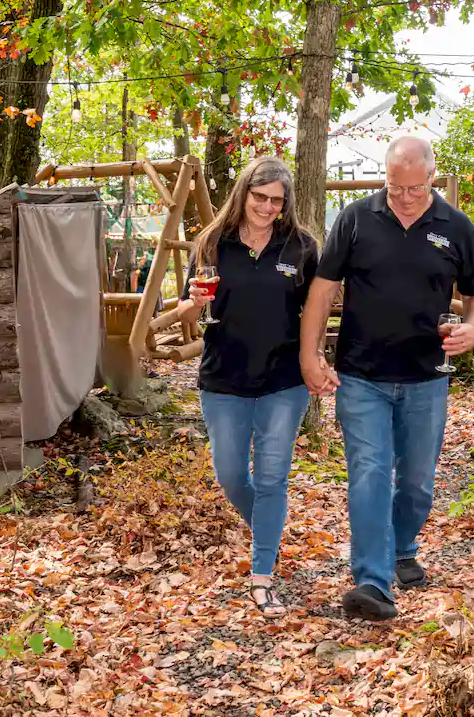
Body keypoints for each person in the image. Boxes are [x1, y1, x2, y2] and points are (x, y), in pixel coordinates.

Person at [299, 137, 474, 621]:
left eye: (414, 188)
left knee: (418, 484)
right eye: (394, 187)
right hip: (362, 376)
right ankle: (372, 580)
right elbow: (322, 291)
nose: (403, 197)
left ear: (431, 177)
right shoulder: (356, 219)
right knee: (369, 473)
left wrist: (473, 329)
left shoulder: (456, 227)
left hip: (427, 378)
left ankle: (402, 547)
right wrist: (311, 355)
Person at [177, 156, 317, 618]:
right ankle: (269, 533)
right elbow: (183, 313)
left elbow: (317, 311)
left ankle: (262, 578)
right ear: (243, 194)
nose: (268, 207)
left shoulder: (300, 247)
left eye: (277, 201)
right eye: (261, 197)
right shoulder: (211, 244)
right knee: (232, 475)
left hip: (283, 379)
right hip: (223, 377)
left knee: (274, 477)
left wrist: (316, 359)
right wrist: (192, 304)